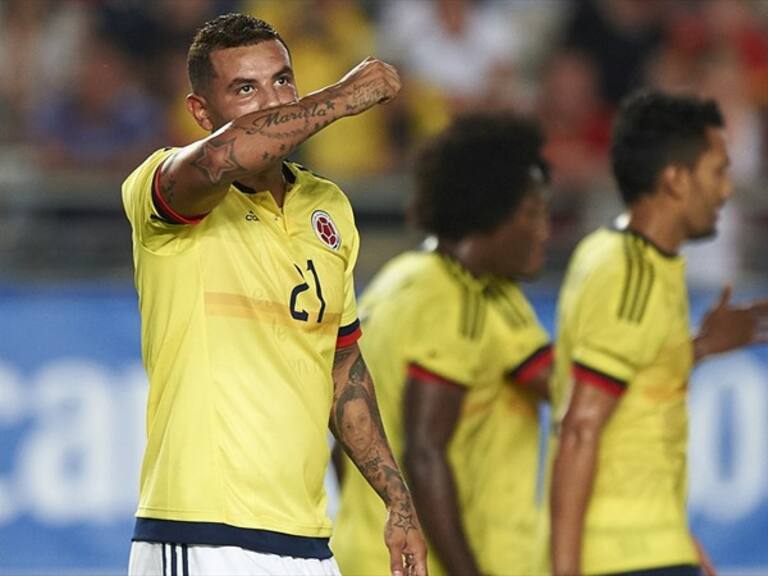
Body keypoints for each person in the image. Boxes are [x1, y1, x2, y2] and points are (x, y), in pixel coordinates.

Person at [121, 13, 428, 576]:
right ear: (201, 112)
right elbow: (220, 158)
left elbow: (341, 365)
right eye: (245, 89)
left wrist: (398, 502)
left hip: (306, 541)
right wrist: (341, 97)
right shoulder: (162, 186)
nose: (271, 101)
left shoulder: (327, 206)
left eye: (282, 81)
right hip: (201, 533)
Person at [549, 90, 768, 576]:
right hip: (627, 556)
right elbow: (581, 428)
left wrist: (702, 347)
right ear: (675, 178)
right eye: (718, 171)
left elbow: (634, 391)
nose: (727, 190)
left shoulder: (632, 260)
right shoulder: (630, 273)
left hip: (652, 546)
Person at [332, 113, 554, 575]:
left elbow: (344, 438)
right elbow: (426, 452)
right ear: (491, 212)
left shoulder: (396, 280)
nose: (544, 231)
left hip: (363, 553)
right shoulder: (452, 299)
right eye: (532, 214)